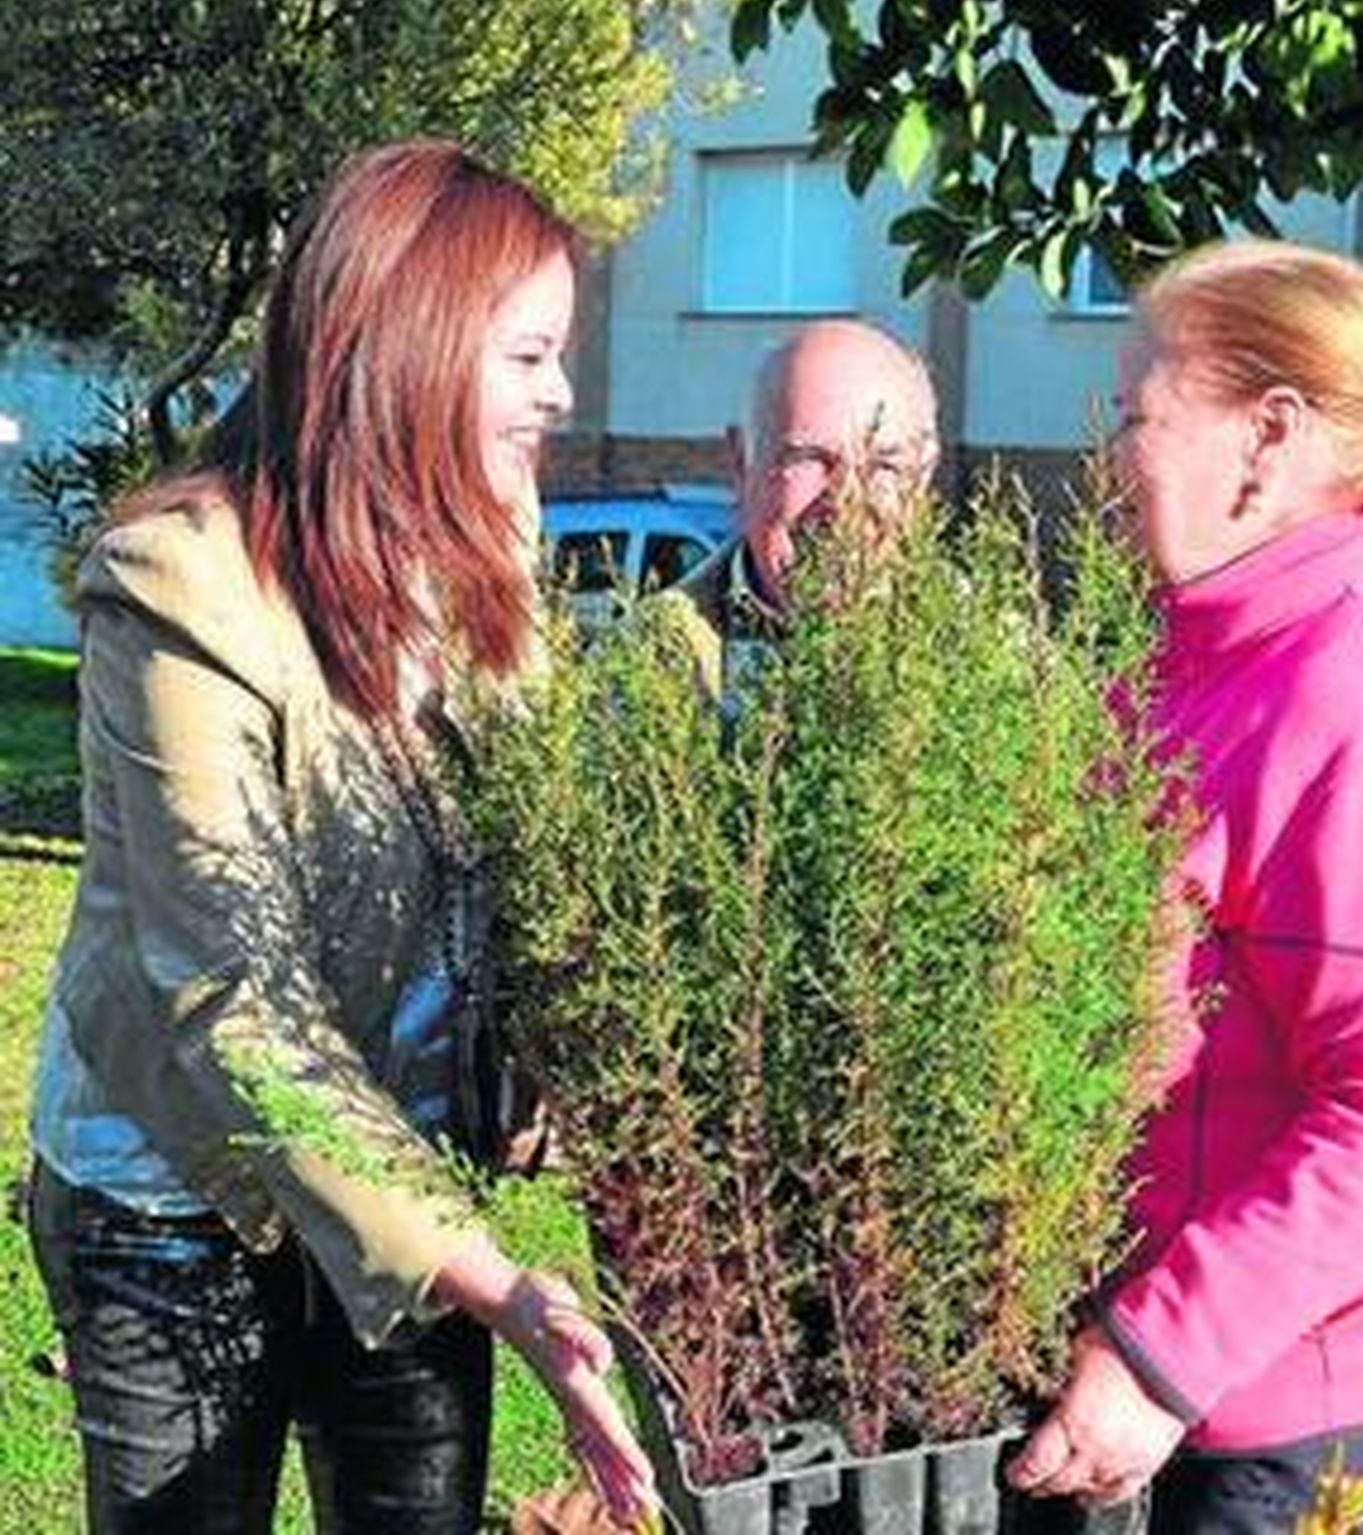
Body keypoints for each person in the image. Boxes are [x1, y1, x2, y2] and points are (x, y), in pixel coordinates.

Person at [26, 140, 655, 1534]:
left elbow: (517, 836)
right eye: (531, 352)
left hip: (400, 1156)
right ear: (412, 345)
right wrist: (492, 1278)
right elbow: (230, 994)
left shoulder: (490, 532)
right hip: (176, 1188)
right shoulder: (178, 584)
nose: (561, 392)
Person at [1007, 240, 1363, 1531]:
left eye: (1138, 414)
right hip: (1185, 1359)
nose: (1109, 454)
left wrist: (1159, 1350)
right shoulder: (1213, 640)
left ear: (1269, 435)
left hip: (1319, 1405)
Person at [672, 318, 940, 700]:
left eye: (883, 466)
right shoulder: (653, 656)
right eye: (809, 458)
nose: (845, 501)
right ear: (741, 462)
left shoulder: (996, 653)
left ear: (924, 477)